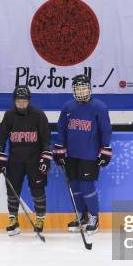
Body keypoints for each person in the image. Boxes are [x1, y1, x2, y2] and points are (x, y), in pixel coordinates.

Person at [54, 74, 112, 235]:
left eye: (84, 87)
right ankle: (82, 216)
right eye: (78, 88)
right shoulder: (67, 107)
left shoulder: (99, 107)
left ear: (89, 88)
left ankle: (94, 217)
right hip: (72, 155)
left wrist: (105, 150)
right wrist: (59, 150)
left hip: (89, 155)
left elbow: (105, 130)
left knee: (87, 186)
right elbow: (61, 129)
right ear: (73, 90)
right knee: (75, 187)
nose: (81, 91)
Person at [0, 86, 52, 235]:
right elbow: (1, 137)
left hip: (35, 161)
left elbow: (46, 140)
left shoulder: (38, 115)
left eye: (24, 101)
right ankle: (13, 220)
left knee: (37, 190)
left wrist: (45, 159)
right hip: (15, 161)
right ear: (14, 101)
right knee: (12, 191)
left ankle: (40, 219)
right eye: (18, 101)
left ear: (29, 101)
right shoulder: (9, 115)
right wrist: (0, 157)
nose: (21, 104)